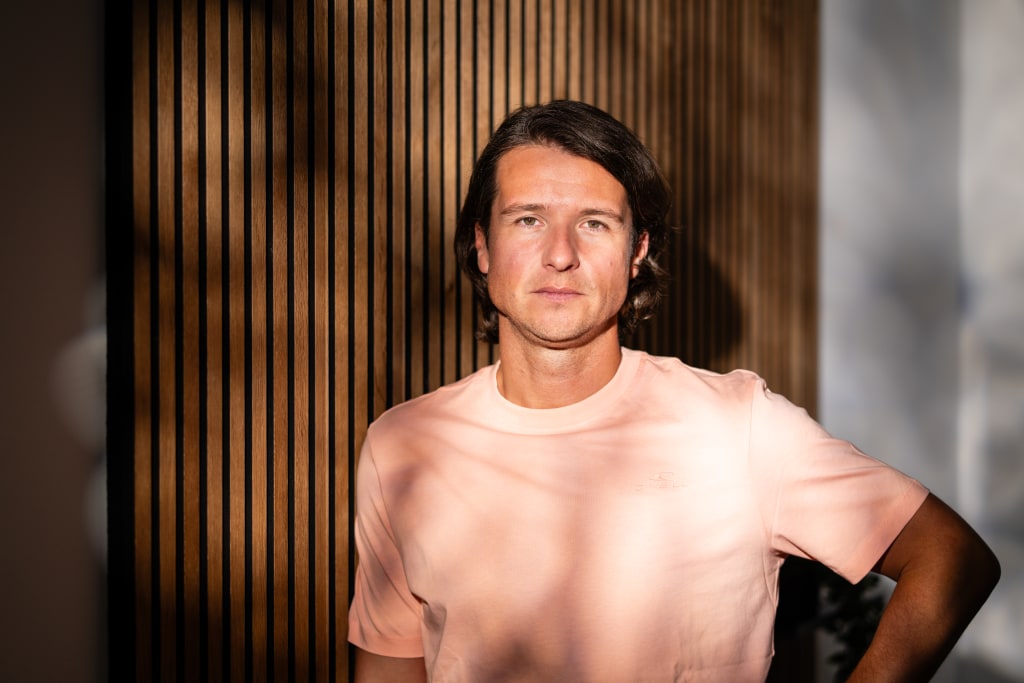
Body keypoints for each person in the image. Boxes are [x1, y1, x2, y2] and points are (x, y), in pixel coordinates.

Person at [347, 100, 1000, 682]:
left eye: (594, 223)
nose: (560, 254)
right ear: (482, 245)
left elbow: (950, 558)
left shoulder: (738, 429)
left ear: (637, 251)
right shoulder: (404, 446)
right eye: (528, 220)